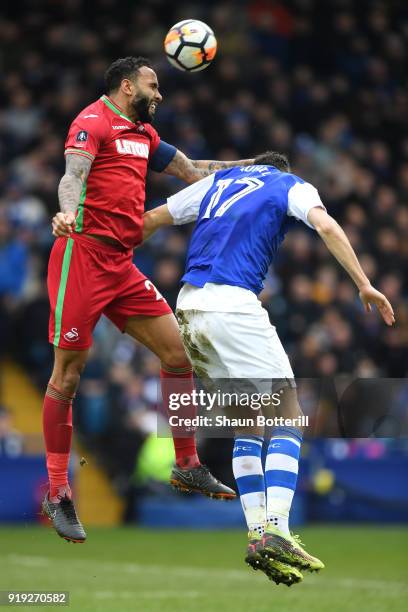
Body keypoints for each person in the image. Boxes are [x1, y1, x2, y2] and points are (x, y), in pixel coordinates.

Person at [142, 151, 395, 585]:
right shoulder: (287, 184)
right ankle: (277, 526)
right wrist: (364, 283)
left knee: (248, 423)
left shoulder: (218, 184)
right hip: (232, 305)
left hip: (187, 307)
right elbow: (327, 225)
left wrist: (93, 244)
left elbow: (150, 220)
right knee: (289, 414)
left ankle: (258, 533)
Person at [43, 56, 256, 543]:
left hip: (120, 264)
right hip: (82, 256)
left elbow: (194, 172)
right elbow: (72, 176)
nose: (159, 94)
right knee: (68, 374)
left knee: (178, 353)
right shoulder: (91, 121)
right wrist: (65, 213)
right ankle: (57, 492)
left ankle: (186, 464)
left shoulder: (146, 136)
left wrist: (253, 169)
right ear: (126, 85)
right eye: (152, 85)